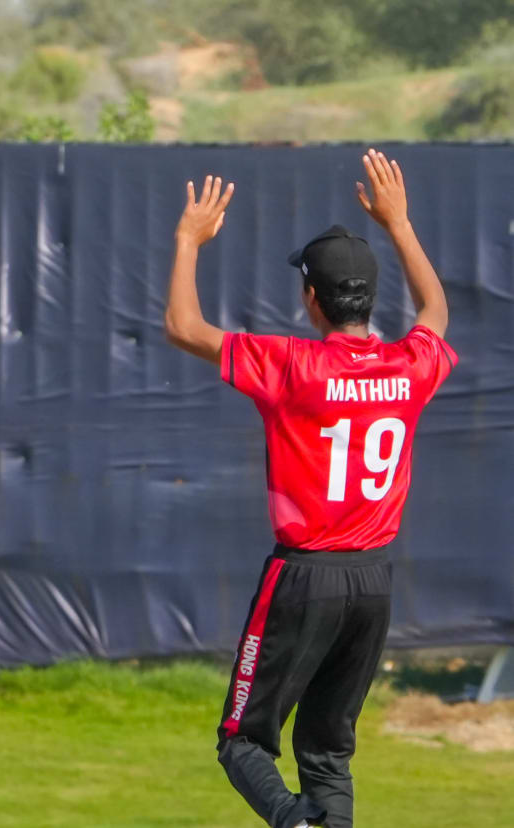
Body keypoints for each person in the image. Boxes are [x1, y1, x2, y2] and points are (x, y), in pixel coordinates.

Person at [163, 151, 455, 828]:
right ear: (370, 298)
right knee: (327, 752)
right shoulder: (409, 366)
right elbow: (435, 312)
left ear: (312, 299)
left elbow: (183, 327)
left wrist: (187, 241)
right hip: (373, 582)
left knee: (242, 743)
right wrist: (400, 225)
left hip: (304, 578)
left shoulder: (292, 365)